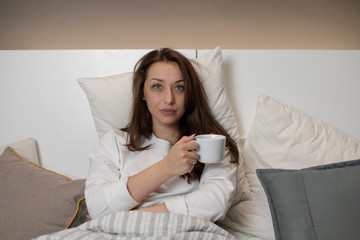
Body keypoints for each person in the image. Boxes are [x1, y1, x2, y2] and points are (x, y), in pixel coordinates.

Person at [85, 48, 239, 222]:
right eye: (157, 86)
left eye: (179, 87)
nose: (169, 99)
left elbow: (216, 202)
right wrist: (166, 167)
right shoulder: (114, 142)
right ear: (142, 92)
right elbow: (97, 207)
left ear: (190, 94)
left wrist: (130, 217)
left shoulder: (211, 142)